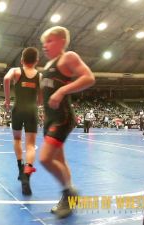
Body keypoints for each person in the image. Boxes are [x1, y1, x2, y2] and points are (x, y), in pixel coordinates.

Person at [39, 26, 95, 218]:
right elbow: (46, 95)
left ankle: (70, 193)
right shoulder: (47, 67)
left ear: (62, 41)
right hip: (49, 119)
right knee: (60, 161)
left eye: (50, 41)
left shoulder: (68, 57)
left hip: (62, 118)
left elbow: (89, 77)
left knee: (45, 159)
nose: (45, 46)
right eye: (43, 43)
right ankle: (68, 198)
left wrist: (62, 91)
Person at [3, 47, 42, 195]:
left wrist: (7, 101)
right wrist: (37, 102)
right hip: (32, 110)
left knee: (17, 139)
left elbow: (6, 79)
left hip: (18, 109)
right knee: (31, 145)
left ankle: (20, 168)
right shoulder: (39, 76)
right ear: (36, 61)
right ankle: (27, 172)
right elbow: (41, 96)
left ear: (21, 60)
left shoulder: (16, 71)